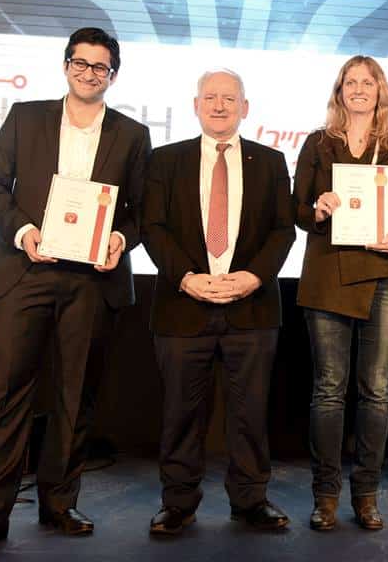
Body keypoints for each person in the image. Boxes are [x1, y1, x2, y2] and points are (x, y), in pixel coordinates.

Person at [0, 28, 151, 558]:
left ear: (113, 75)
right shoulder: (25, 117)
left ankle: (59, 504)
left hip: (92, 281)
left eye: (100, 67)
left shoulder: (132, 134)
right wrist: (24, 232)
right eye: (81, 63)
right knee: (4, 394)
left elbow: (143, 212)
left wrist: (120, 239)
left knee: (76, 397)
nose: (89, 73)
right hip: (24, 271)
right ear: (66, 65)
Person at [141, 69, 295, 535]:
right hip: (182, 306)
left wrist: (253, 276)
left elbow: (283, 230)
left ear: (245, 107)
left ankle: (250, 500)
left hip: (252, 308)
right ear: (196, 105)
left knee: (250, 413)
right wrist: (186, 278)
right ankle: (178, 503)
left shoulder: (271, 161)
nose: (220, 105)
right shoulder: (165, 160)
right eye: (211, 97)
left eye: (230, 98)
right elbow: (153, 227)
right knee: (180, 414)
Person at [293, 55, 388, 531]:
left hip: (385, 274)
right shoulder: (318, 142)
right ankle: (326, 495)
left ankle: (367, 494)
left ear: (380, 91)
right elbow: (296, 208)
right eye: (350, 82)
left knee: (376, 390)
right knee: (329, 390)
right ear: (339, 91)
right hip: (327, 273)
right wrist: (318, 209)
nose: (358, 89)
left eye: (367, 82)